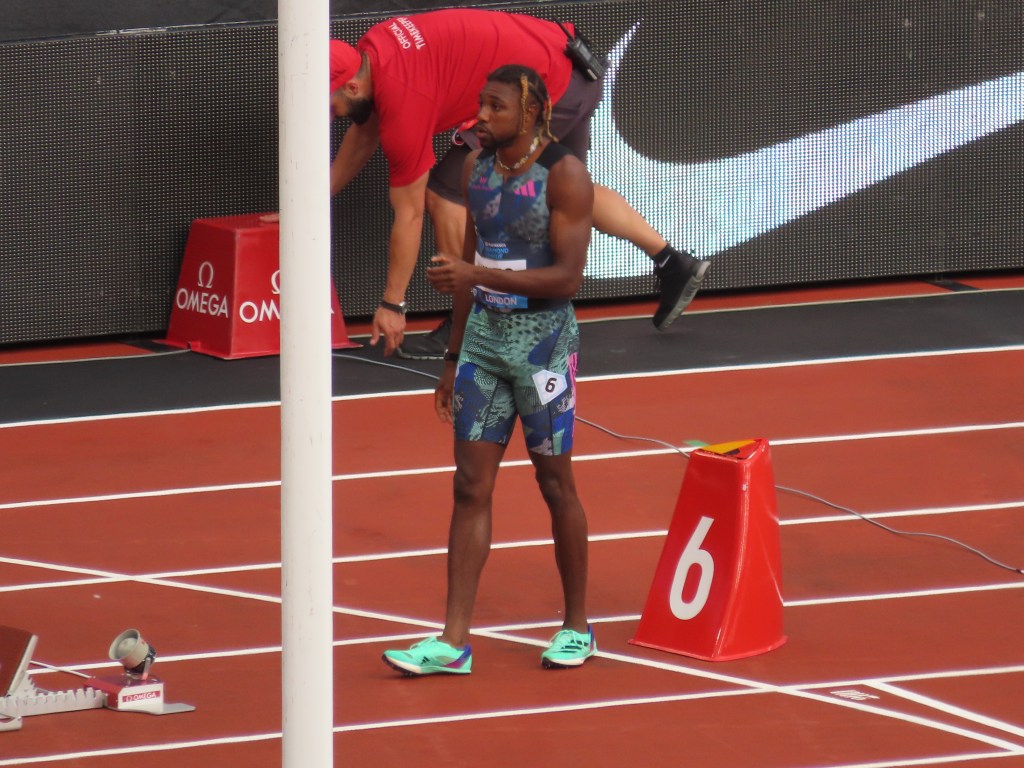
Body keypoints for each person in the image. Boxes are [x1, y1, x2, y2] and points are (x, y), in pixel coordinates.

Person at [328, 9, 710, 359]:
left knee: (445, 195)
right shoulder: (371, 49)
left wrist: (393, 304)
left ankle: (474, 318)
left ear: (352, 88)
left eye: (328, 107)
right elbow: (365, 132)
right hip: (572, 68)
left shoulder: (404, 99)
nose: (329, 117)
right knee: (568, 192)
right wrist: (315, 197)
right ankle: (672, 262)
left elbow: (409, 214)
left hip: (549, 88)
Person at [382, 65, 596, 675]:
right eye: (481, 103)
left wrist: (476, 275)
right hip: (483, 342)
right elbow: (466, 267)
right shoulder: (476, 168)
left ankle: (577, 627)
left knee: (554, 484)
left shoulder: (564, 175)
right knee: (469, 486)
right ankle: (453, 642)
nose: (480, 116)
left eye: (495, 107)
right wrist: (451, 358)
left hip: (543, 345)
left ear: (531, 113)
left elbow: (567, 279)